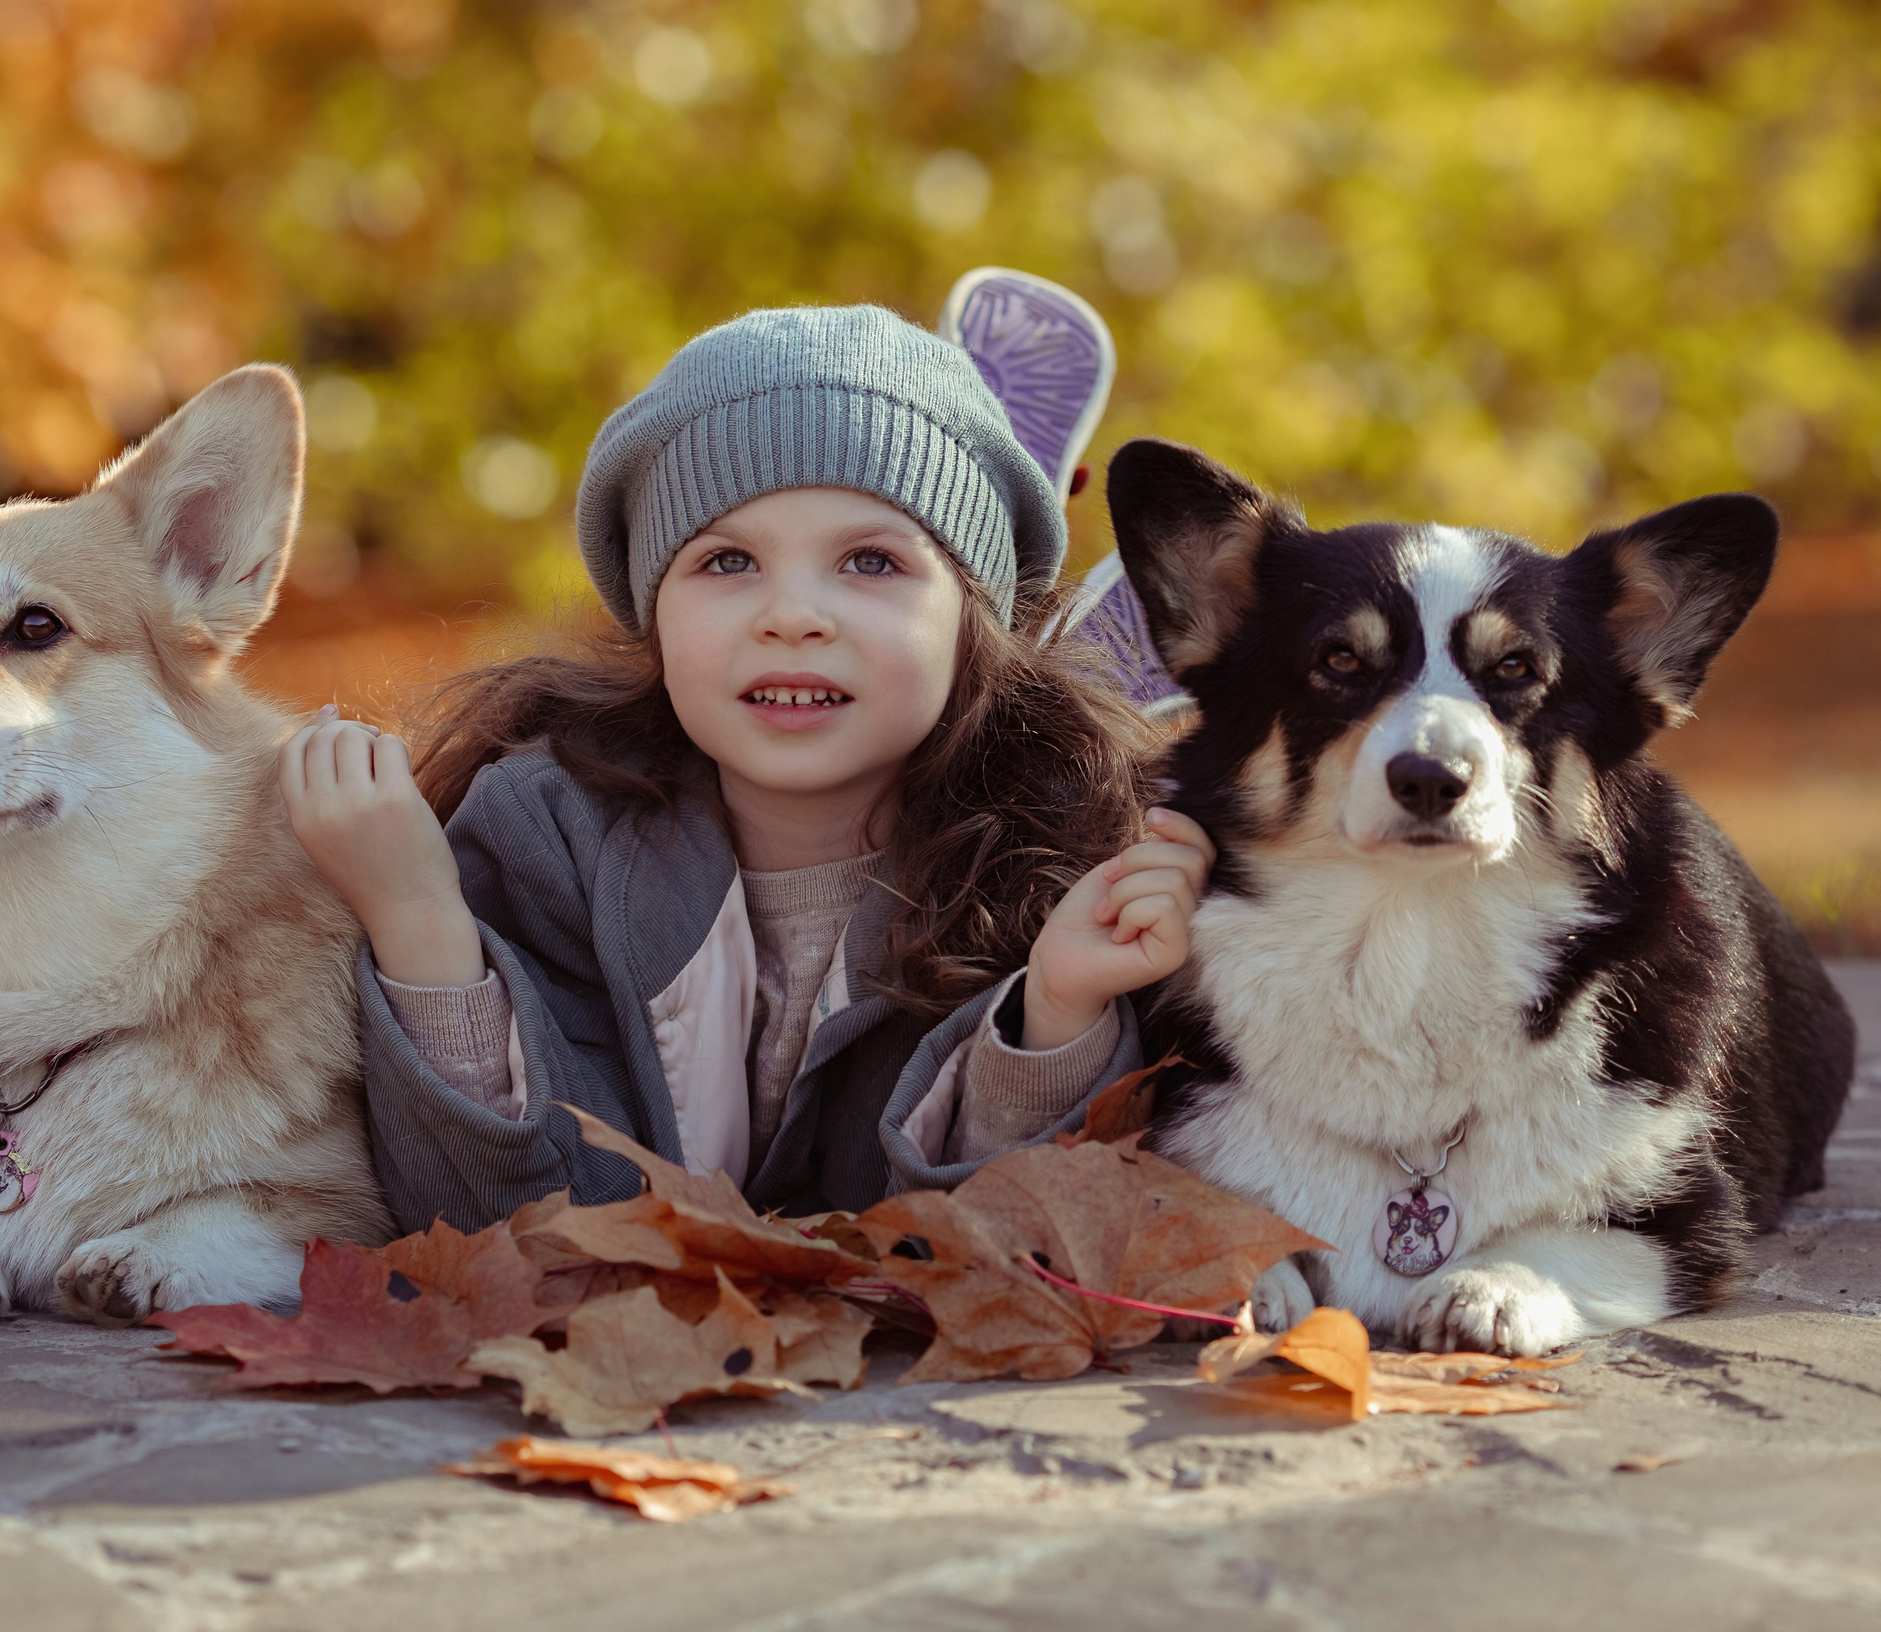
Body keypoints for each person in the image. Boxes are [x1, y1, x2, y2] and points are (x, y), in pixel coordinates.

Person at [283, 298, 1210, 1232]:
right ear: (653, 617)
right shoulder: (546, 834)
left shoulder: (1047, 860)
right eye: (727, 563)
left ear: (974, 619)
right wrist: (416, 917)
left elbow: (989, 1257)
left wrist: (1051, 1013)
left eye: (871, 562)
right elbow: (506, 1224)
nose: (792, 614)